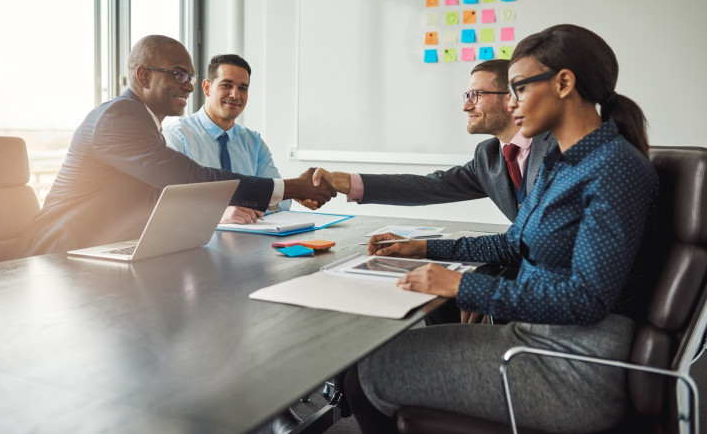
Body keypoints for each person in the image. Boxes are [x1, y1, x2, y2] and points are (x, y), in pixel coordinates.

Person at [342, 24, 659, 433]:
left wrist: (461, 287)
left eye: (520, 89)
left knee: (367, 375)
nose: (511, 104)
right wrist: (424, 250)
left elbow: (587, 300)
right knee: (369, 362)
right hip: (532, 339)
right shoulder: (561, 162)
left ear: (564, 83)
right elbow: (514, 246)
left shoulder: (613, 167)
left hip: (571, 367)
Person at [15, 35, 335, 257]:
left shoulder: (144, 122)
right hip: (55, 255)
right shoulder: (119, 118)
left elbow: (161, 198)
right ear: (143, 75)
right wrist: (294, 187)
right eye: (179, 74)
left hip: (105, 250)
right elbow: (189, 179)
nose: (190, 86)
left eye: (191, 76)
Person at [310, 59, 556, 223]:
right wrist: (344, 181)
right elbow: (431, 187)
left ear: (511, 97)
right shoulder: (488, 155)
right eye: (466, 95)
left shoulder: (558, 146)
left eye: (475, 95)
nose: (465, 106)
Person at [163, 54, 291, 224]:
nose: (235, 95)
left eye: (243, 88)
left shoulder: (254, 142)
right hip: (197, 241)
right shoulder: (177, 136)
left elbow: (282, 200)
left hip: (251, 240)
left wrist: (249, 206)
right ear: (207, 87)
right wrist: (217, 213)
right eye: (226, 85)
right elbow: (169, 203)